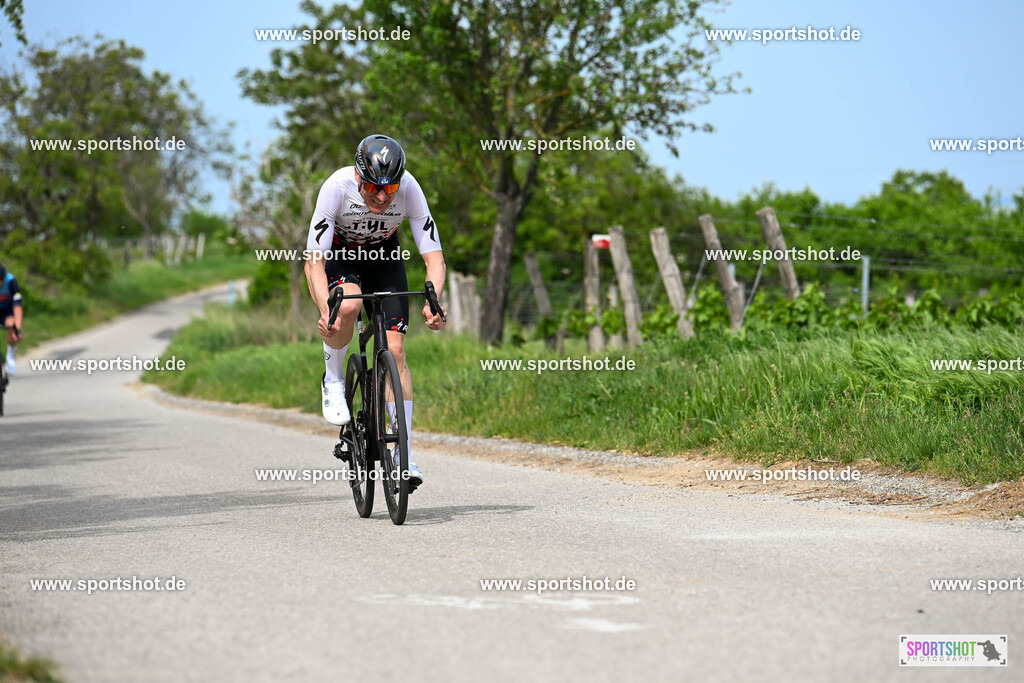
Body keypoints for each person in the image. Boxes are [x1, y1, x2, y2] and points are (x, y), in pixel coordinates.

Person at [304, 134, 446, 491]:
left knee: (396, 350)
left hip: (385, 258)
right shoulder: (335, 188)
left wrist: (434, 300)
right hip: (341, 256)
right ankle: (333, 379)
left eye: (391, 188)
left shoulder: (410, 189)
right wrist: (326, 310)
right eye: (372, 188)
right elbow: (314, 261)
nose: (382, 197)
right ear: (357, 175)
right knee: (347, 306)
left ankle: (403, 455)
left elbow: (434, 258)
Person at [0, 263, 23, 375]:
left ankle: (10, 357)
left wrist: (17, 330)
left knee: (10, 324)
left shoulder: (11, 281)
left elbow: (17, 307)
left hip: (7, 310)